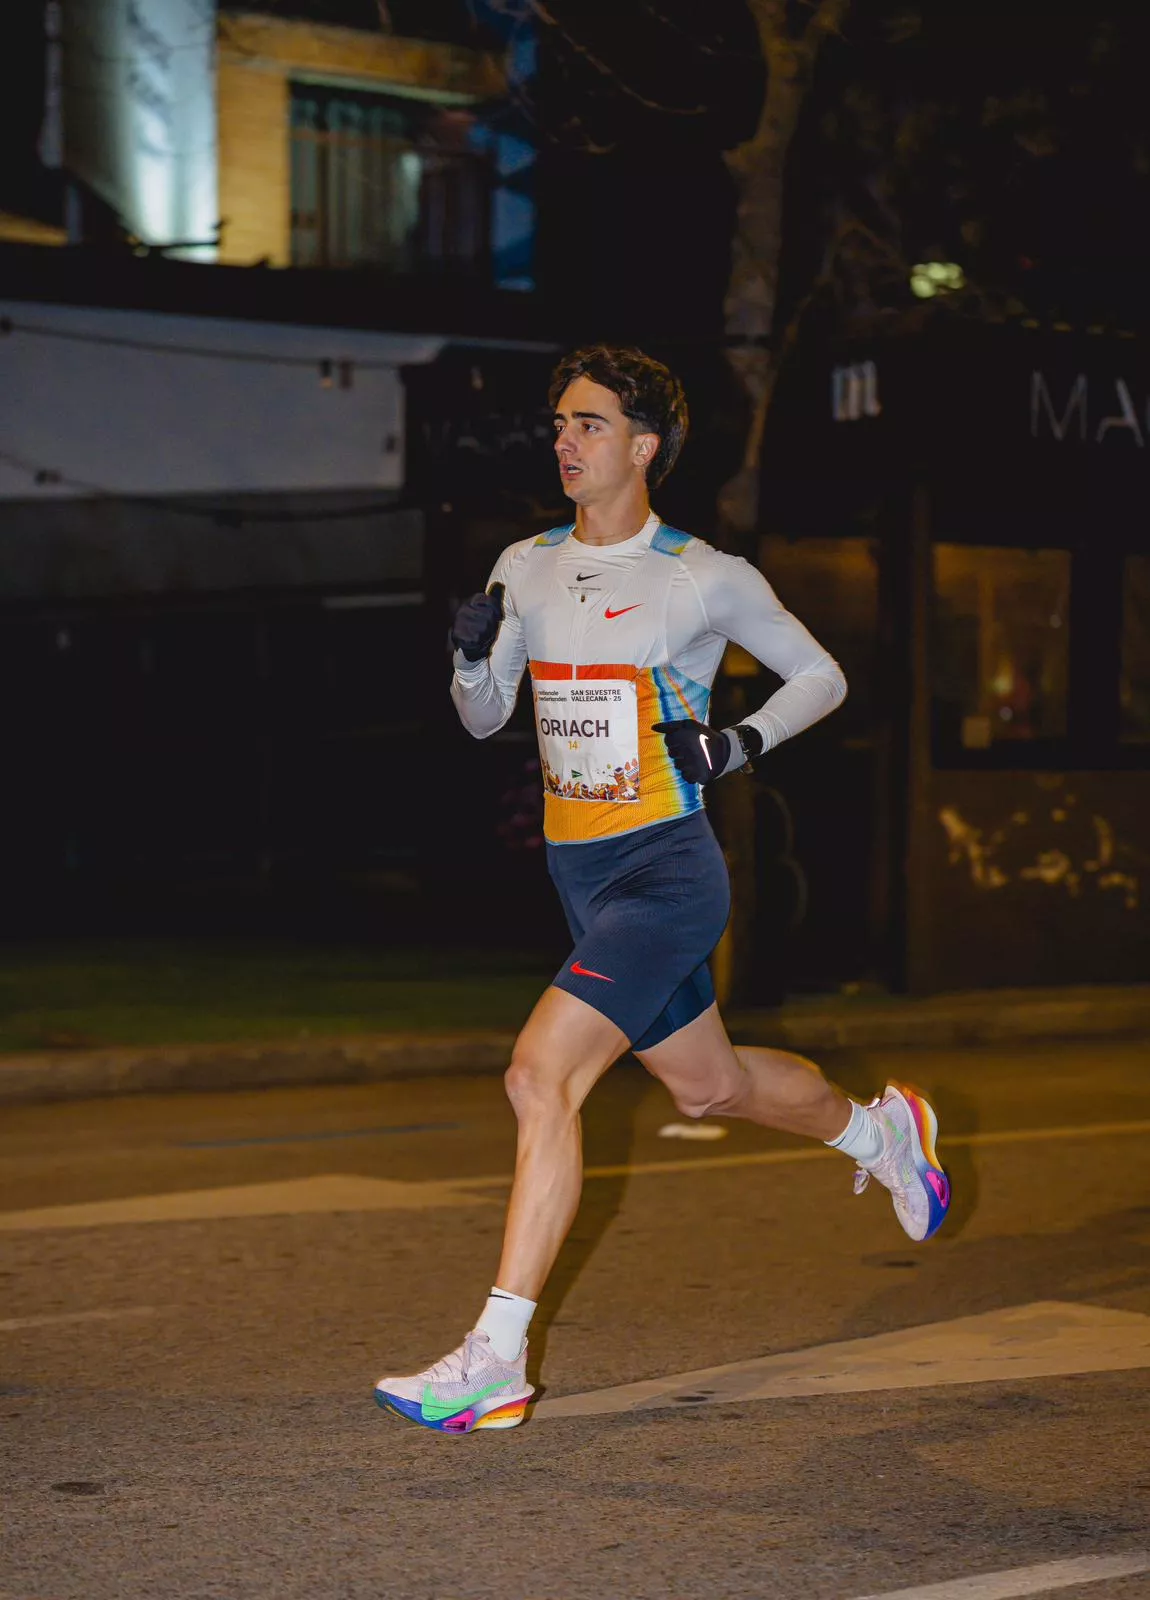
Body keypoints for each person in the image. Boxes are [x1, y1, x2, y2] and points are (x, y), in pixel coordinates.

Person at [375, 345, 950, 1434]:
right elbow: (485, 718)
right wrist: (467, 659)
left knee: (537, 1078)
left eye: (587, 424)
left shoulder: (701, 573)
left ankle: (495, 1356)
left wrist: (739, 743)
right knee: (707, 1087)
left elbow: (820, 674)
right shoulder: (523, 564)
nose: (564, 441)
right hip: (577, 871)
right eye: (558, 425)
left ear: (643, 446)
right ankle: (880, 1135)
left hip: (663, 871)